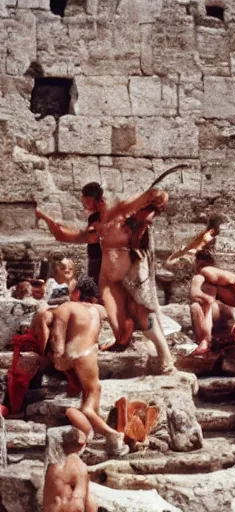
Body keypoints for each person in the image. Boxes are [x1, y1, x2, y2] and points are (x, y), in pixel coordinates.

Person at [36, 185, 176, 374]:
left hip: (130, 271)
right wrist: (43, 216)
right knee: (120, 329)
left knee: (143, 315)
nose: (83, 203)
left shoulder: (120, 210)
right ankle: (125, 342)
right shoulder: (96, 222)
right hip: (107, 279)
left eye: (84, 199)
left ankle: (165, 358)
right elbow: (67, 235)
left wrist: (158, 196)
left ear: (94, 198)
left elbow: (151, 196)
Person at [45, 280, 129, 456]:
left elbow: (57, 340)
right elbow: (120, 326)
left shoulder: (66, 307)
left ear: (76, 293)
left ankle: (93, 431)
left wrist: (57, 359)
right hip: (87, 354)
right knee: (91, 397)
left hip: (72, 354)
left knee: (93, 391)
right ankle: (111, 434)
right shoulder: (99, 310)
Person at [35, 182, 105, 284]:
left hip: (100, 262)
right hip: (96, 260)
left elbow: (89, 236)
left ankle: (42, 215)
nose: (83, 204)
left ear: (89, 199)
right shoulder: (95, 216)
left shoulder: (101, 215)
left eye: (84, 201)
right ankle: (43, 216)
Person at [189, 250, 235, 355]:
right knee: (201, 304)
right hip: (233, 310)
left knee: (198, 305)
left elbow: (194, 294)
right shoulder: (223, 279)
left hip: (227, 310)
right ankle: (205, 341)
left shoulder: (203, 274)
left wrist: (207, 299)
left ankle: (205, 341)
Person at [43, 428, 94, 512]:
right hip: (66, 508)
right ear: (82, 445)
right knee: (91, 499)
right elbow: (78, 504)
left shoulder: (52, 466)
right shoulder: (78, 466)